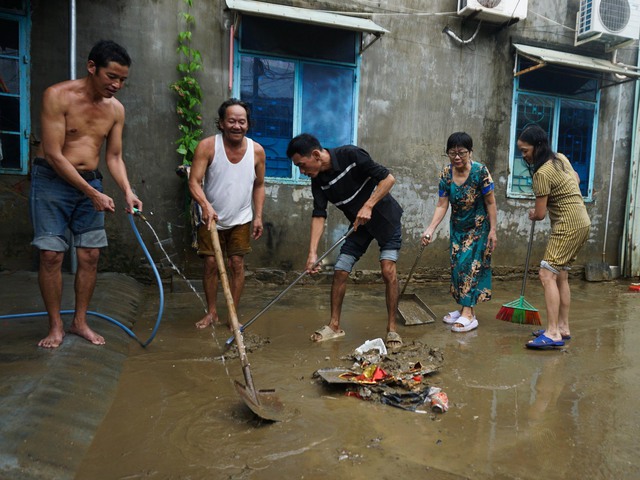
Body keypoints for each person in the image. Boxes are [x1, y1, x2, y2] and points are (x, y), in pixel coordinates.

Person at [31, 40, 142, 348]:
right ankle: (56, 326)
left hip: (91, 180)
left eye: (122, 80)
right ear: (92, 67)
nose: (117, 85)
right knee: (51, 254)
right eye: (111, 76)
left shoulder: (116, 110)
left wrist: (127, 192)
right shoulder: (57, 96)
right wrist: (91, 193)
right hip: (52, 180)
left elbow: (114, 157)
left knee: (90, 255)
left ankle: (80, 321)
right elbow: (53, 154)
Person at [286, 133, 404, 350]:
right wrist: (312, 253)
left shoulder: (351, 155)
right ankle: (334, 325)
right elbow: (319, 214)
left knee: (388, 270)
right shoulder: (318, 181)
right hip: (359, 226)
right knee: (340, 269)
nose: (302, 172)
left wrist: (369, 205)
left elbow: (388, 179)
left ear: (315, 155)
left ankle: (392, 329)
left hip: (387, 220)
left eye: (301, 165)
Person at [188, 99, 265, 330]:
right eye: (231, 121)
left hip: (241, 217)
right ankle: (212, 312)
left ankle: (232, 314)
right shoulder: (208, 146)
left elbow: (259, 185)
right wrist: (205, 205)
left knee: (237, 264)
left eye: (242, 121)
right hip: (210, 216)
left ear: (248, 125)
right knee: (211, 263)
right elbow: (194, 181)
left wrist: (258, 215)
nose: (237, 126)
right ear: (221, 123)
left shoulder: (257, 151)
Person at [517, 125, 590, 349]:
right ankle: (562, 327)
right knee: (561, 276)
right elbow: (576, 179)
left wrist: (533, 213)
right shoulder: (561, 159)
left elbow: (540, 214)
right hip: (582, 221)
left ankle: (552, 333)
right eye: (521, 151)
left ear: (538, 147)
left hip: (567, 225)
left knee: (546, 274)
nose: (523, 155)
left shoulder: (541, 173)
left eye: (525, 150)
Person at [421, 132, 497, 332]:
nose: (456, 157)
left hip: (479, 228)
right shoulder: (446, 173)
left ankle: (468, 313)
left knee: (469, 267)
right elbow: (441, 204)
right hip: (457, 227)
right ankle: (464, 307)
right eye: (452, 153)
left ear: (470, 152)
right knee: (457, 268)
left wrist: (493, 231)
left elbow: (490, 201)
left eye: (461, 153)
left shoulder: (480, 172)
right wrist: (431, 229)